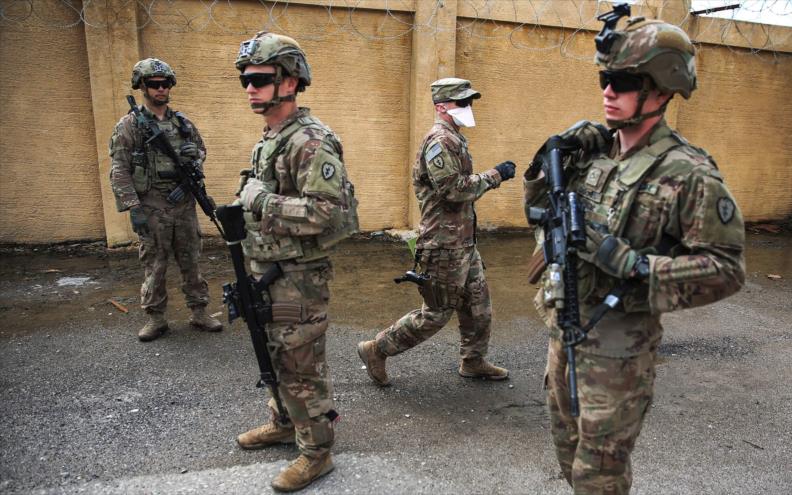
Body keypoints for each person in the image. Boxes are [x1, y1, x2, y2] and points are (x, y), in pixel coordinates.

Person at [523, 15, 746, 494]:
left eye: (622, 82)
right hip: (566, 334)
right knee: (568, 455)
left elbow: (727, 269)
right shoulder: (596, 154)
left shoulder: (688, 173)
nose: (608, 92)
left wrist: (629, 263)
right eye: (605, 80)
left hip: (618, 352)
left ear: (663, 90)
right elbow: (537, 214)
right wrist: (546, 164)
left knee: (598, 474)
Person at [231, 31, 359, 492]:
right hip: (268, 271)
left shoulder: (310, 141)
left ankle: (317, 452)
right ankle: (285, 421)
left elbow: (327, 213)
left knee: (300, 361)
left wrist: (262, 201)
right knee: (274, 351)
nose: (250, 87)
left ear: (291, 80)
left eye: (261, 78)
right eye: (245, 79)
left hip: (298, 278)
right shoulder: (271, 136)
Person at [357, 78, 517, 386]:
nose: (468, 108)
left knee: (477, 304)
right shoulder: (439, 141)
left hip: (463, 242)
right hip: (442, 245)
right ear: (441, 106)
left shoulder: (455, 138)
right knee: (437, 312)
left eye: (470, 102)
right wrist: (495, 175)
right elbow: (453, 191)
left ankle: (473, 361)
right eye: (462, 102)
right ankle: (377, 348)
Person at [109, 58, 223, 342]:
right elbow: (119, 169)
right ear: (142, 87)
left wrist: (192, 156)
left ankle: (199, 312)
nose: (161, 89)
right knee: (156, 265)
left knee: (191, 261)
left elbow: (201, 151)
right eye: (154, 85)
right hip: (152, 205)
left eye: (165, 84)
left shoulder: (182, 123)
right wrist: (133, 207)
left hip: (184, 203)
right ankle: (156, 318)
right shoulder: (131, 125)